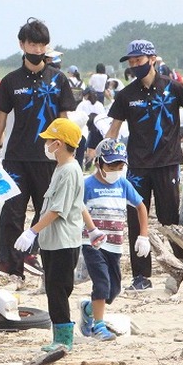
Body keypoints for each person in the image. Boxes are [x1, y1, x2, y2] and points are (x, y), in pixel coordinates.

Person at [106, 40, 183, 291]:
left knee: (170, 218)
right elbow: (114, 129)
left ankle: (181, 267)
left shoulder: (173, 88)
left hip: (168, 163)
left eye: (138, 61)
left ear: (152, 59)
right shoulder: (126, 95)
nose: (134, 66)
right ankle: (141, 276)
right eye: (131, 62)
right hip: (137, 168)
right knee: (135, 219)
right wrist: (106, 154)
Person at [0, 18, 77, 284]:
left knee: (47, 208)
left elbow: (64, 119)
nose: (37, 49)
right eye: (32, 44)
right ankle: (11, 266)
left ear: (47, 47)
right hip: (16, 156)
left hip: (49, 156)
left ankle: (36, 257)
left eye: (41, 45)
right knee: (12, 212)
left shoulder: (58, 80)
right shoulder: (11, 81)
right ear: (22, 45)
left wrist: (68, 153)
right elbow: (0, 118)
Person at [12, 118, 85, 352]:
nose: (46, 145)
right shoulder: (60, 169)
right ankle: (60, 336)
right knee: (54, 288)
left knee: (58, 289)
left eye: (49, 141)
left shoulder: (70, 171)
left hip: (63, 242)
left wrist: (32, 231)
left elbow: (57, 209)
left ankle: (64, 339)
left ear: (59, 144)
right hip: (53, 242)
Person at [78, 139, 150, 342]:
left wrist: (143, 235)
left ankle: (89, 308)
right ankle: (98, 326)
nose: (116, 170)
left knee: (113, 290)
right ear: (99, 163)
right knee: (101, 284)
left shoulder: (123, 184)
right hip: (93, 243)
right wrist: (90, 230)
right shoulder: (87, 184)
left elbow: (141, 206)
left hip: (115, 245)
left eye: (120, 166)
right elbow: (78, 207)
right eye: (111, 165)